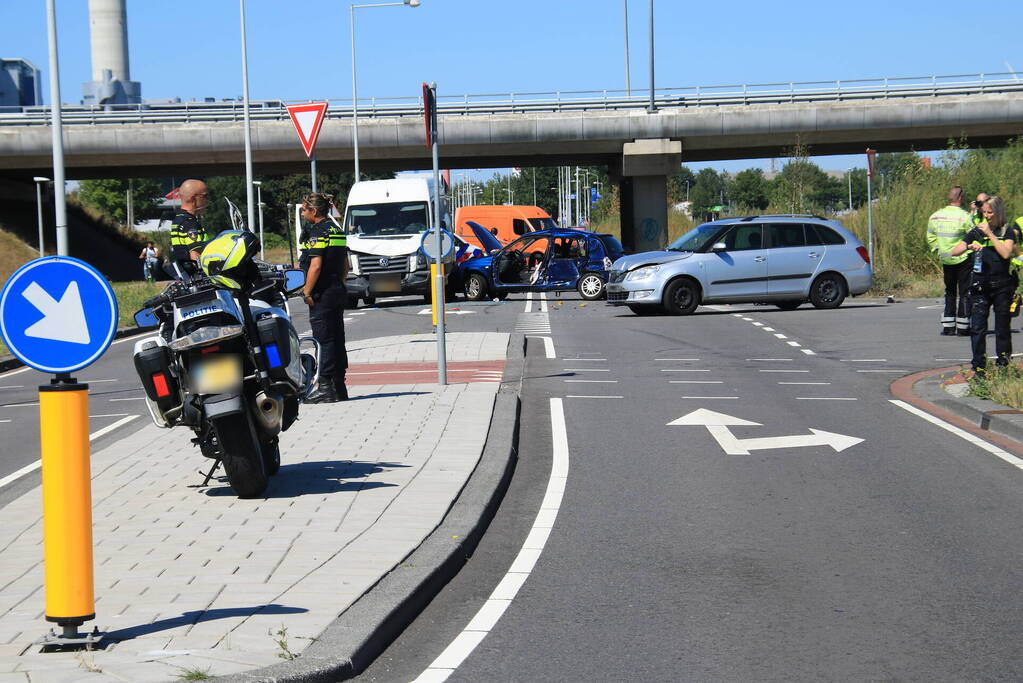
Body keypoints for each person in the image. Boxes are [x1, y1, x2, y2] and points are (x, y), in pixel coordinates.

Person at [949, 196, 1020, 374]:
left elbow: (1005, 253)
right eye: (984, 212)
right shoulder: (977, 231)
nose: (987, 216)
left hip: (1002, 286)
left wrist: (990, 234)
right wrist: (969, 246)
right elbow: (955, 250)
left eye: (990, 212)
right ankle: (979, 366)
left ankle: (1003, 365)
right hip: (980, 286)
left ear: (998, 212)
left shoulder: (1007, 231)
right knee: (978, 327)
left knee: (1002, 327)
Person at [299, 193, 350, 403]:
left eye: (304, 209)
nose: (302, 213)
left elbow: (316, 265)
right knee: (337, 337)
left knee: (324, 339)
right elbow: (345, 264)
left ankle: (326, 387)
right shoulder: (336, 230)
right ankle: (339, 385)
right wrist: (339, 282)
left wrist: (307, 291)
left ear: (314, 211)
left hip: (322, 293)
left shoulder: (318, 232)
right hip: (337, 289)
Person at [926, 186, 974, 336]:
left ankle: (948, 327)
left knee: (950, 291)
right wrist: (969, 251)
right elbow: (973, 236)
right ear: (960, 198)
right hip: (963, 258)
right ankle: (963, 327)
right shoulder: (965, 216)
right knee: (965, 292)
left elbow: (930, 237)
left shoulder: (936, 216)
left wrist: (939, 250)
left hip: (946, 259)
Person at [166, 179, 210, 280]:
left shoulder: (178, 219)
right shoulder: (190, 223)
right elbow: (196, 255)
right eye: (205, 196)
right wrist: (204, 276)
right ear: (193, 198)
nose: (207, 200)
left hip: (186, 276)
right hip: (196, 278)